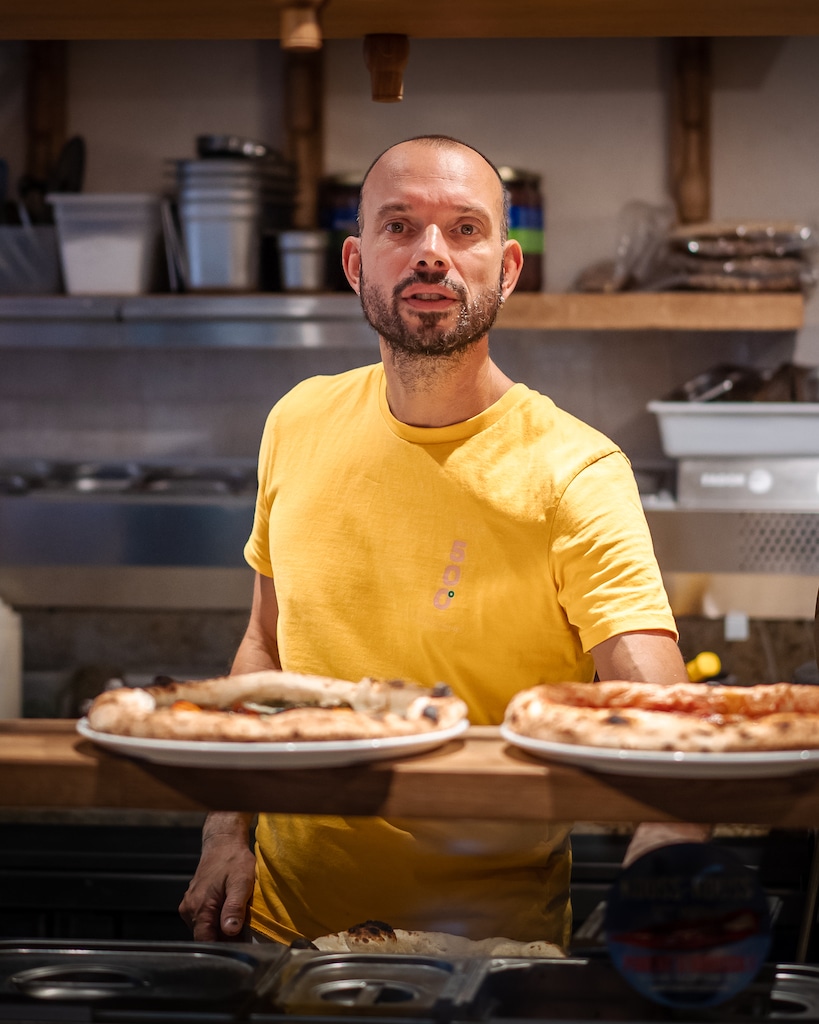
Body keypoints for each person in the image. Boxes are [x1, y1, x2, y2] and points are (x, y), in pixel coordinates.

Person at [179, 134, 706, 949]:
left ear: (507, 267)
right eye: (401, 227)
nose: (432, 254)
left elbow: (655, 706)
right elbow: (265, 641)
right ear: (355, 264)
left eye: (464, 229)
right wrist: (226, 830)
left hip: (486, 954)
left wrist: (665, 840)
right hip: (282, 933)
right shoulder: (297, 419)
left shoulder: (575, 470)